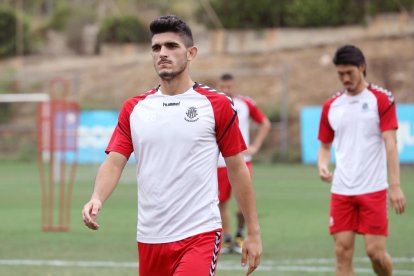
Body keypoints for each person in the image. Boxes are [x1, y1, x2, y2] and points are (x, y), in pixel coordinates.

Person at [82, 15, 262, 276]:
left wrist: (253, 233)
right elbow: (114, 161)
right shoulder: (135, 108)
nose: (162, 53)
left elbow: (238, 169)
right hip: (150, 236)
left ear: (191, 53)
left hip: (200, 233)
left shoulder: (217, 104)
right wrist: (96, 198)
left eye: (171, 46)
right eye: (156, 48)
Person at [317, 44, 406, 276]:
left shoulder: (381, 99)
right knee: (342, 252)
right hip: (342, 190)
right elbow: (325, 147)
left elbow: (390, 144)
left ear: (362, 67)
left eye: (349, 73)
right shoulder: (331, 106)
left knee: (375, 253)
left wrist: (395, 186)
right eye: (340, 74)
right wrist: (323, 165)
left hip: (374, 189)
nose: (345, 78)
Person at [216, 73, 270, 254]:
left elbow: (265, 123)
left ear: (234, 86)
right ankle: (227, 239)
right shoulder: (213, 104)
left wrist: (255, 146)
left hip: (242, 161)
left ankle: (240, 235)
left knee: (242, 206)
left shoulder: (245, 104)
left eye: (229, 87)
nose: (225, 90)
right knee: (220, 203)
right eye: (222, 87)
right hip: (219, 163)